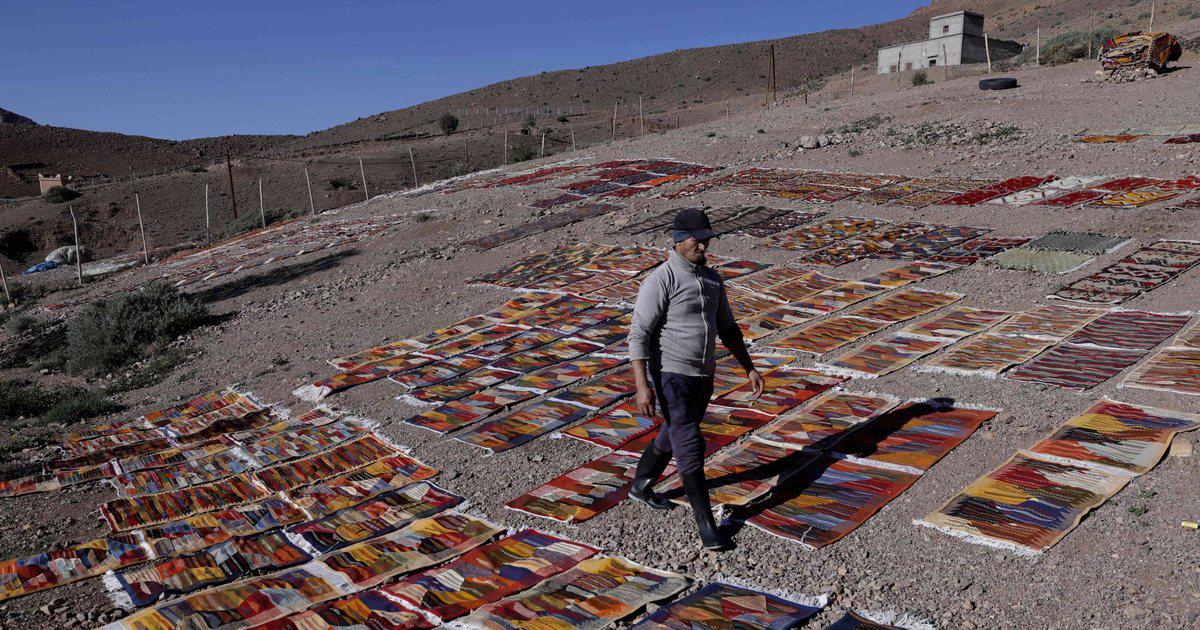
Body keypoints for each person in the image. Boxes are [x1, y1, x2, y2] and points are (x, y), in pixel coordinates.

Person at [625, 207, 765, 551]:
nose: (704, 246)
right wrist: (642, 386)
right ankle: (708, 527)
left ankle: (641, 485)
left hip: (703, 373)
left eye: (707, 240)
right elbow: (638, 335)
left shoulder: (712, 280)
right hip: (671, 373)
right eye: (697, 240)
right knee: (690, 443)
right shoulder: (661, 280)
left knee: (675, 430)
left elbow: (728, 328)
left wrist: (749, 367)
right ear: (678, 241)